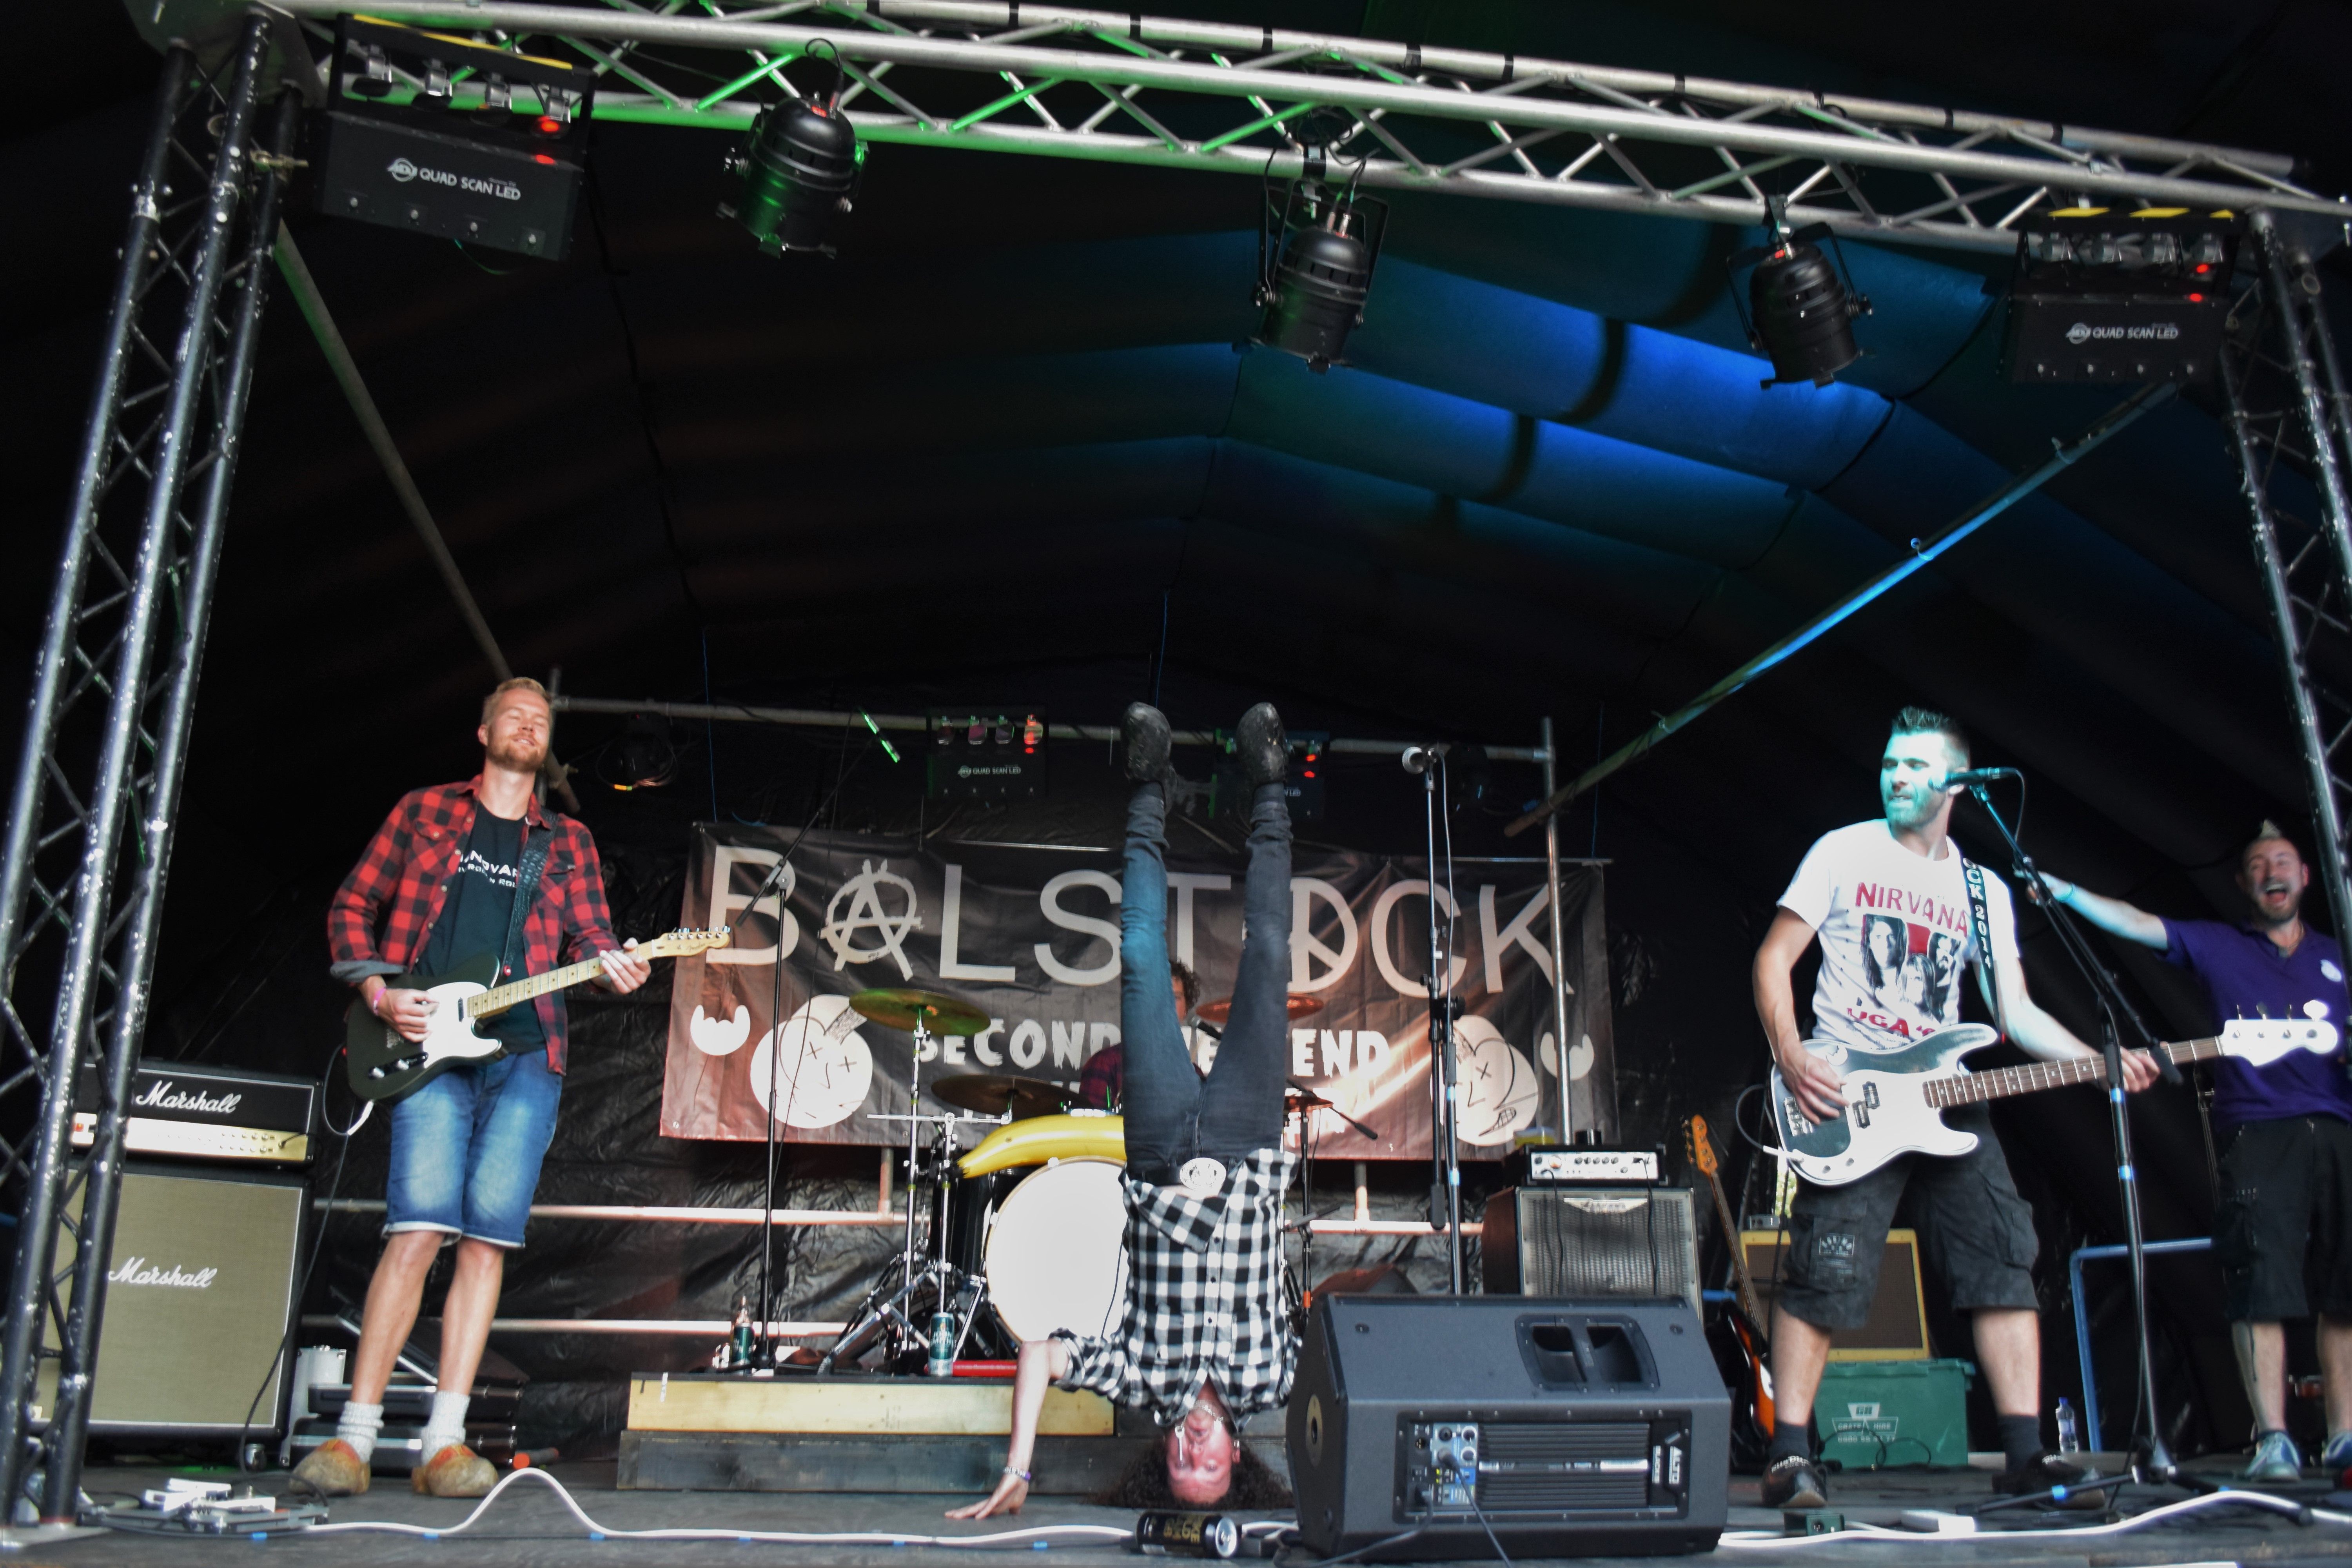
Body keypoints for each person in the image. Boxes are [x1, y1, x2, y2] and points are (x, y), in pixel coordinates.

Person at [1754, 706, 2159, 1510]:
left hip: (1946, 1099)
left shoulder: (1984, 890)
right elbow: (1773, 958)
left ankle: (2026, 1456)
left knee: (2002, 1257)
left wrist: (2096, 1063)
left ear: (1959, 783)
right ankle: (1788, 1453)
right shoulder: (1843, 850)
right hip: (1851, 1089)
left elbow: (2015, 1013)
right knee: (1825, 1266)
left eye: (1915, 765)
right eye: (1890, 763)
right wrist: (1793, 1054)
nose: (1897, 776)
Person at [294, 678, 650, 1499]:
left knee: (487, 1241)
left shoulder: (568, 841)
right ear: (484, 732)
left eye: (542, 720)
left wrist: (619, 963)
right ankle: (354, 1437)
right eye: (514, 715)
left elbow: (592, 938)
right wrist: (380, 991)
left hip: (526, 1056)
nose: (529, 725)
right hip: (429, 1048)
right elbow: (352, 905)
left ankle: (444, 1443)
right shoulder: (424, 811)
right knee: (418, 1229)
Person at [949, 701, 1296, 1518]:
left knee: (1140, 957)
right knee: (1271, 955)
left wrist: (1020, 1467)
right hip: (1247, 1146)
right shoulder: (1274, 1379)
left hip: (1161, 1150)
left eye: (1180, 1464)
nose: (1193, 1449)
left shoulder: (1141, 1379)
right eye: (1209, 1465)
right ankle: (1269, 788)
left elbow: (1040, 1353)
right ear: (1239, 1455)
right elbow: (1355, 1369)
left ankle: (1147, 787)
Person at [2043, 823, 2352, 1482]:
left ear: (2306, 876)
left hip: (2338, 1127)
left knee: (2346, 1289)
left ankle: (2345, 1435)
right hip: (2258, 1131)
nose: (2272, 873)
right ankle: (2274, 1439)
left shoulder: (2338, 953)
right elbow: (2137, 923)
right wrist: (2065, 890)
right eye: (2259, 865)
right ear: (2242, 883)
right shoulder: (2219, 943)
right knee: (2259, 1287)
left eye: (2284, 862)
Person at [1076, 961, 1200, 1112]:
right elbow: (1089, 1127)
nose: (1166, 1004)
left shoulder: (1194, 1075)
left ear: (1186, 1010)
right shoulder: (1106, 1064)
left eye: (1175, 998)